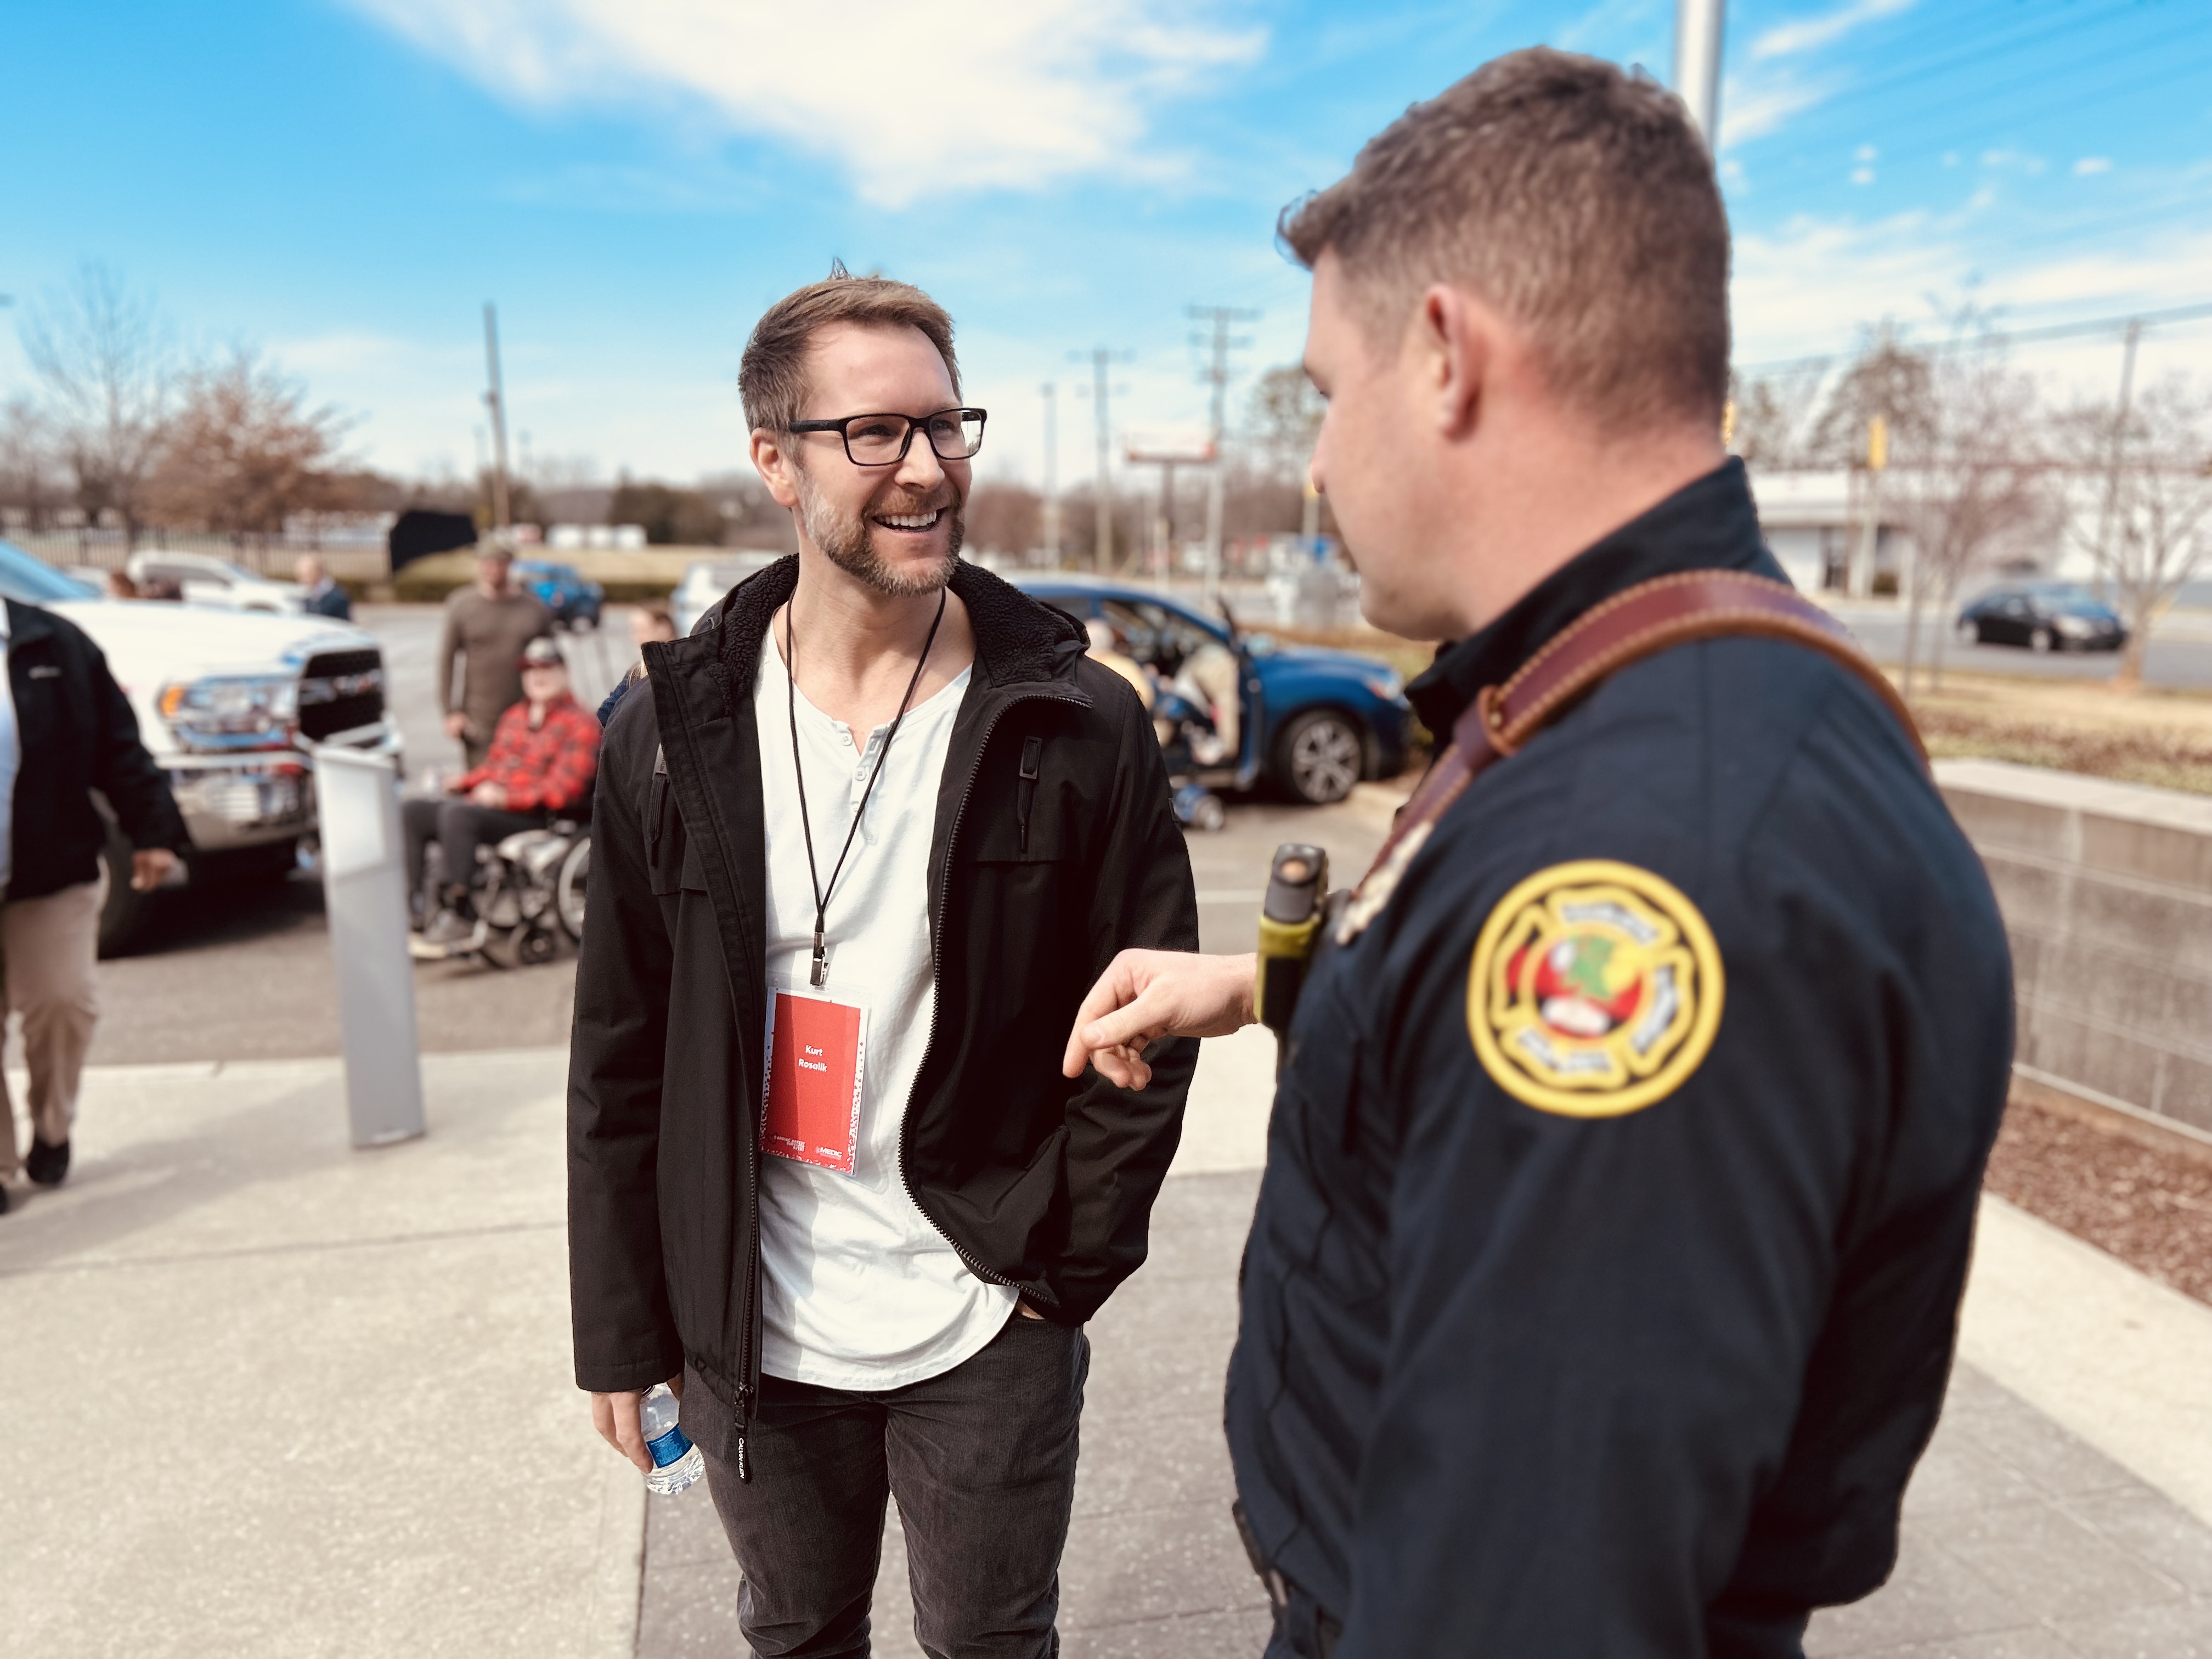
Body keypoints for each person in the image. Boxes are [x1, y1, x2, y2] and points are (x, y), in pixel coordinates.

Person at [1060, 50, 2014, 1658]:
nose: (1313, 461)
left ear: (1442, 357)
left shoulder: (1646, 875)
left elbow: (1529, 1597)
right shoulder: (1645, 704)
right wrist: (1265, 986)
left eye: (1319, 394)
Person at [569, 272, 1198, 1658]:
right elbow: (618, 1055)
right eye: (876, 434)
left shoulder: (1076, 722)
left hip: (985, 1307)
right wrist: (621, 1329)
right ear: (776, 462)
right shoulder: (669, 732)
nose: (926, 470)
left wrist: (1061, 1273)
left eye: (947, 427)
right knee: (796, 1632)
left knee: (989, 1642)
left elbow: (1157, 1023)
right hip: (752, 1317)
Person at [0, 596, 185, 1216]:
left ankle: (52, 1127)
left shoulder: (53, 644)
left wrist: (153, 831)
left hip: (49, 870)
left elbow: (117, 744)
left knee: (63, 1003)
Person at [405, 637, 599, 957]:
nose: (538, 677)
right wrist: (461, 782)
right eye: (531, 670)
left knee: (458, 815)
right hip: (499, 806)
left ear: (564, 673)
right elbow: (494, 768)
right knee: (414, 810)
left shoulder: (580, 723)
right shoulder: (516, 716)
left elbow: (565, 791)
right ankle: (415, 910)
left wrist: (504, 798)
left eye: (547, 669)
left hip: (538, 814)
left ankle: (459, 912)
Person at [435, 544, 552, 768]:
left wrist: (548, 708)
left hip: (527, 716)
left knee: (524, 787)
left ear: (509, 565)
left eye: (499, 563)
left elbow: (554, 664)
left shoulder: (534, 609)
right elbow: (447, 661)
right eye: (486, 563)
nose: (492, 569)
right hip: (479, 721)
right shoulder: (461, 605)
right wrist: (450, 712)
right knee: (480, 791)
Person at [595, 599, 678, 727]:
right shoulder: (639, 670)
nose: (636, 637)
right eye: (633, 631)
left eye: (641, 630)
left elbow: (606, 715)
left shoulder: (641, 672)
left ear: (664, 628)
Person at [295, 555, 352, 620]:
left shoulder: (337, 597)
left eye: (305, 575)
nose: (302, 580)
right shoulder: (307, 595)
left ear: (317, 573)